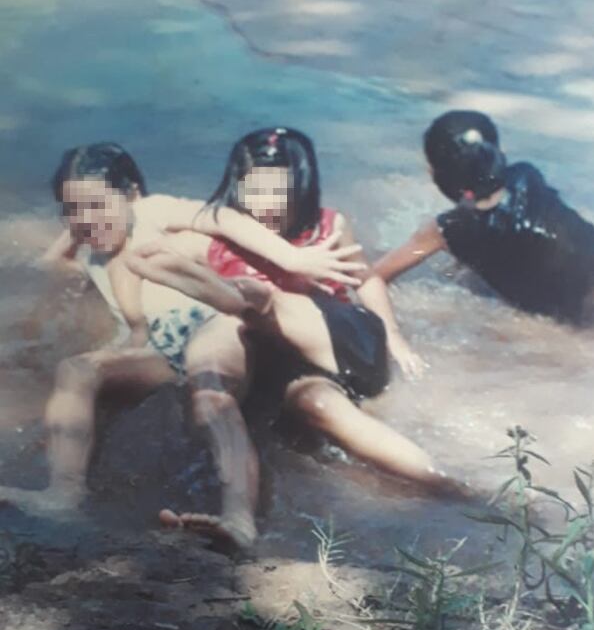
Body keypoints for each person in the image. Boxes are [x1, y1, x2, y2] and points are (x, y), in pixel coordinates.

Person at [0, 142, 360, 549]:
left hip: (211, 323)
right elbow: (52, 265)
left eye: (98, 205)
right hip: (160, 349)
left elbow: (221, 217)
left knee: (209, 392)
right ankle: (63, 494)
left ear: (132, 194)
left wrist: (291, 260)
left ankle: (238, 518)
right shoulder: (93, 242)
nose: (86, 219)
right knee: (76, 370)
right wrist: (77, 230)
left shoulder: (153, 212)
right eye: (70, 209)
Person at [128, 127, 460, 543]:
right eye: (254, 191)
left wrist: (396, 338)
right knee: (279, 401)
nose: (266, 205)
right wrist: (224, 226)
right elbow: (139, 255)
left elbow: (367, 280)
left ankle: (456, 489)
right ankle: (239, 521)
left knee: (255, 304)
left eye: (279, 191)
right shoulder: (214, 240)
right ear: (236, 188)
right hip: (278, 363)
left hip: (339, 342)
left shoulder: (328, 226)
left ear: (302, 186)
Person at [373, 110, 594, 324]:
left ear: (433, 173)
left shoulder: (447, 230)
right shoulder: (528, 175)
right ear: (500, 153)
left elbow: (374, 277)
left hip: (578, 312)